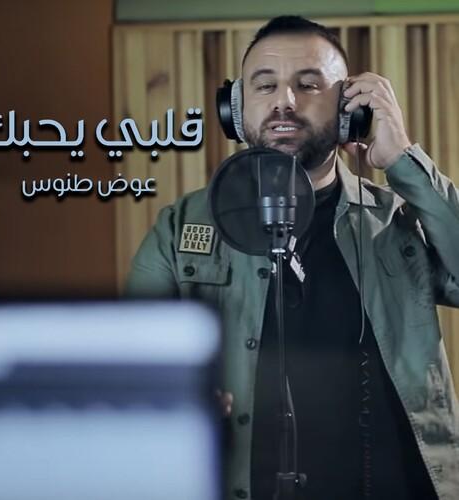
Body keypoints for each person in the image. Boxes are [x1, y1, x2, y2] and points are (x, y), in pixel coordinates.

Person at [126, 15, 459, 500]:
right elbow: (134, 370)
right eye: (265, 85)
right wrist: (172, 401)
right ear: (236, 108)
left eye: (308, 84)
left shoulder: (397, 221)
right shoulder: (178, 230)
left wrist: (404, 160)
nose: (285, 100)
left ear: (348, 111)